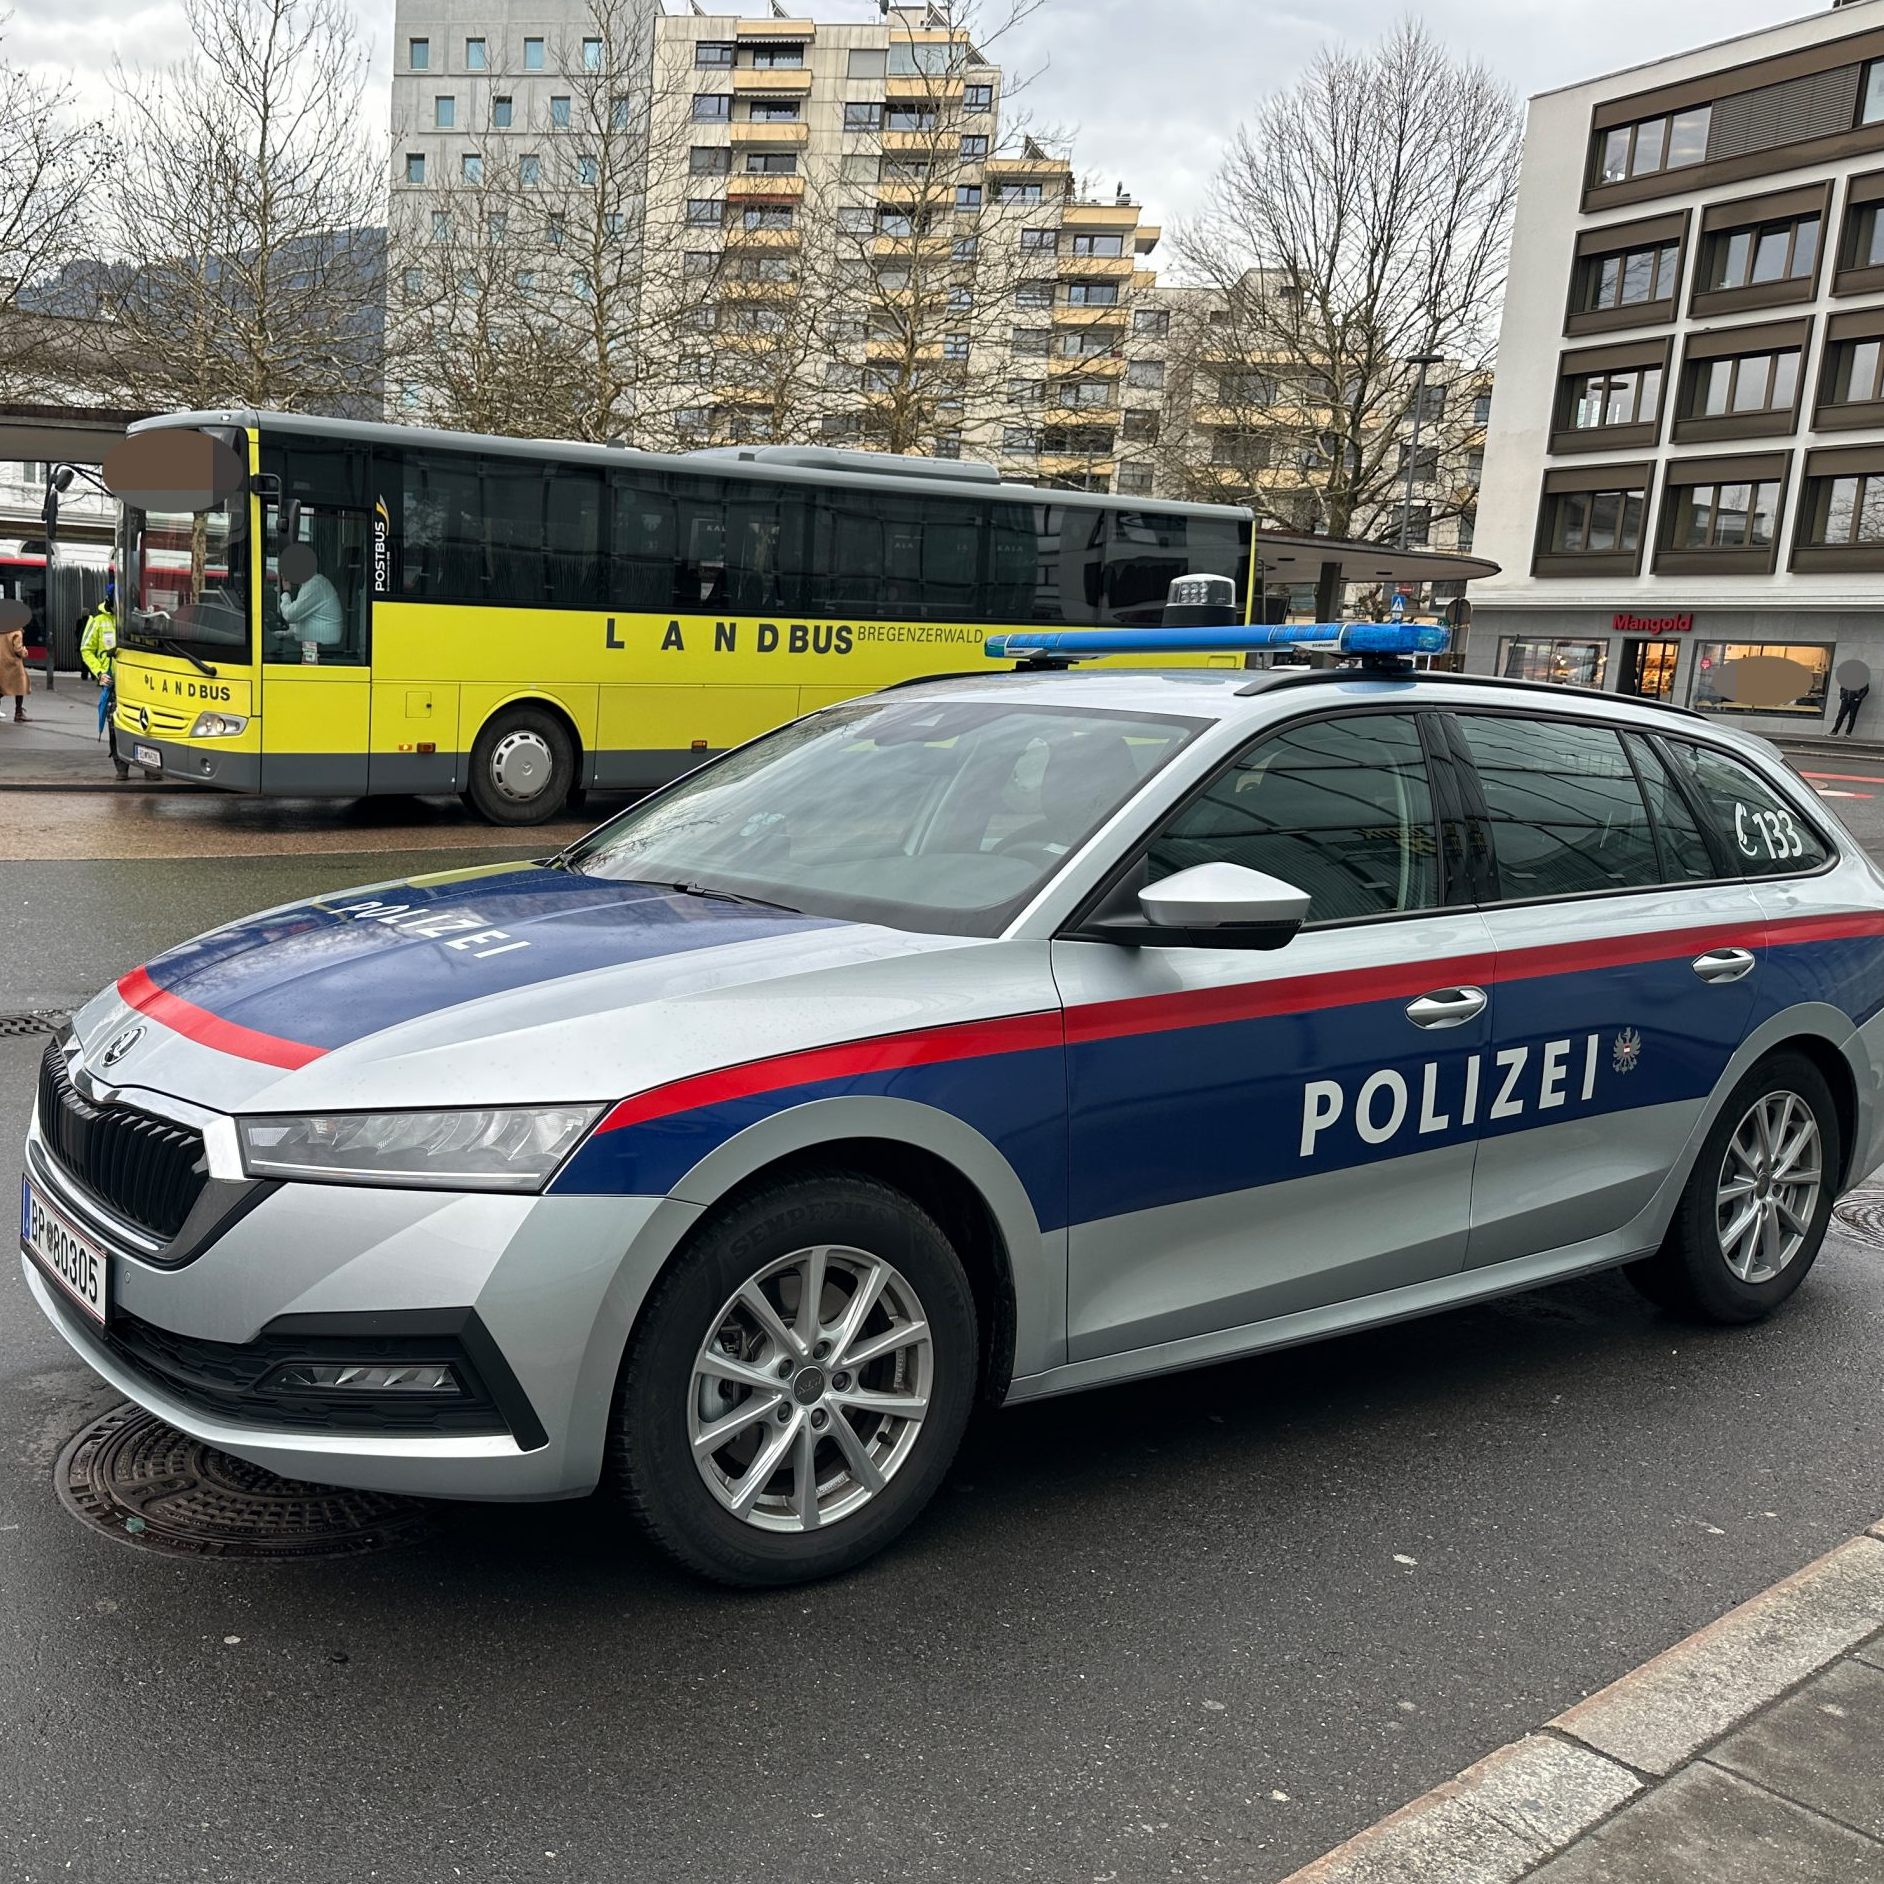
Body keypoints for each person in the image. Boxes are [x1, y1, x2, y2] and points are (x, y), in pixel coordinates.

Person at [81, 592, 128, 779]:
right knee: (114, 722)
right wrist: (100, 673)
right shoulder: (98, 621)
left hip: (135, 680)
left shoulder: (133, 618)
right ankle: (121, 765)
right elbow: (86, 649)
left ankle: (150, 767)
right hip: (112, 681)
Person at [277, 543, 344, 650]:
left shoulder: (315, 584)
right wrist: (283, 634)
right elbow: (302, 625)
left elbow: (290, 615)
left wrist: (286, 591)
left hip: (323, 649)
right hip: (314, 645)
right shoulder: (311, 584)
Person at [0, 620, 28, 722]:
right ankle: (18, 712)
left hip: (1, 662)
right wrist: (24, 652)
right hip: (13, 663)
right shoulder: (16, 631)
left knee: (1, 686)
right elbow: (18, 649)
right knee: (20, 686)